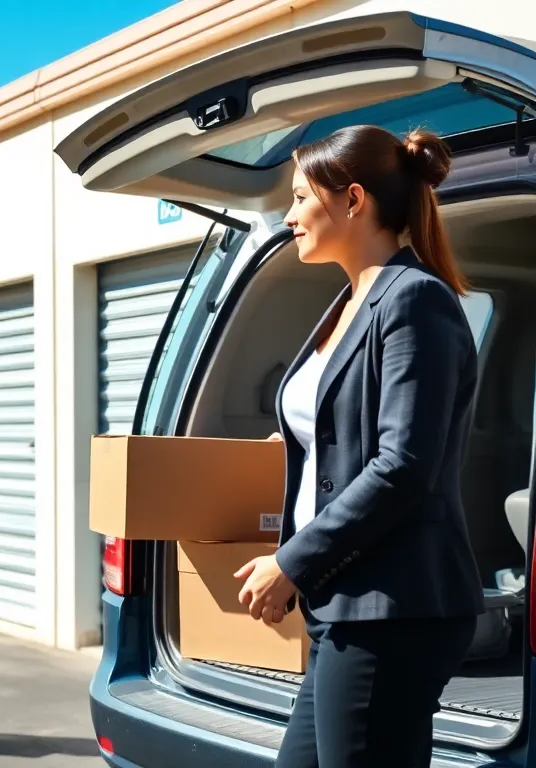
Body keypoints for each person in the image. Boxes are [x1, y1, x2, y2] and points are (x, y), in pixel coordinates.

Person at [233, 124, 485, 766]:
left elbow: (404, 466)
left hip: (395, 609)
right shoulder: (349, 302)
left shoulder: (415, 300)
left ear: (352, 200)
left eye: (298, 197)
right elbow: (342, 431)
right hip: (346, 603)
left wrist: (293, 561)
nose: (287, 215)